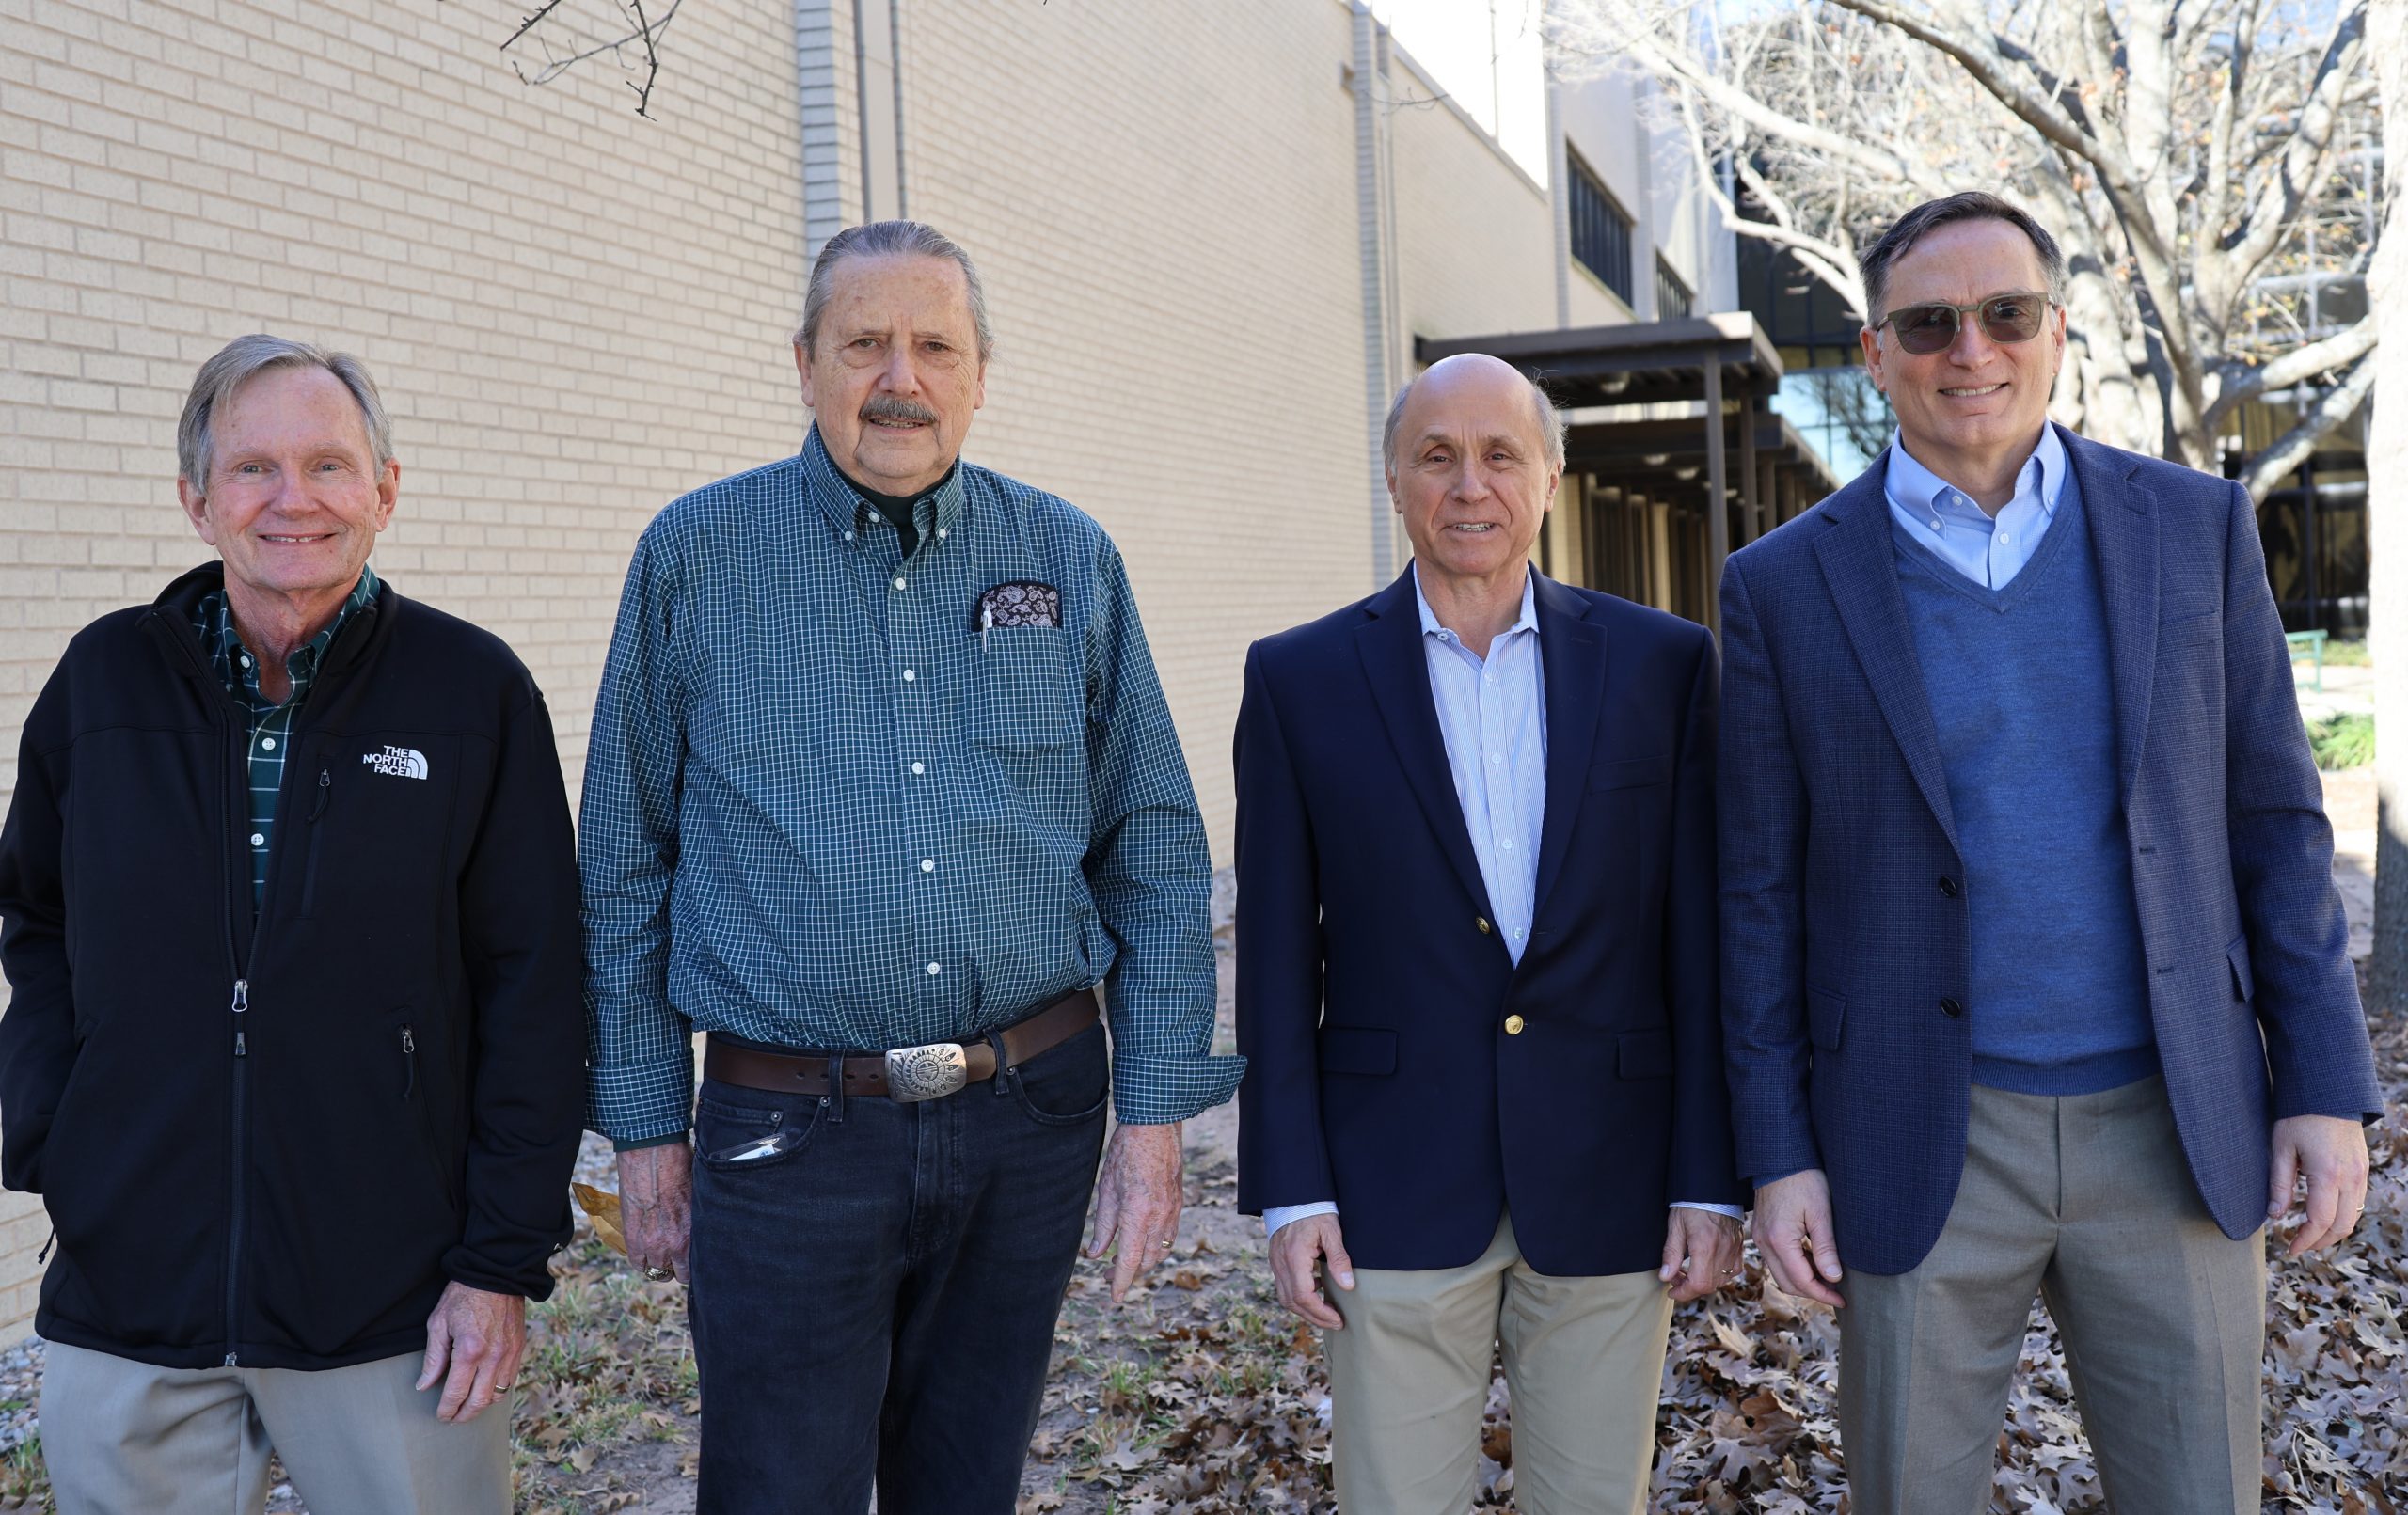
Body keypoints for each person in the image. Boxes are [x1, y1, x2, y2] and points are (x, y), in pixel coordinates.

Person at [1719, 192, 2384, 1514]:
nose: (1970, 349)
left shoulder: (2191, 528)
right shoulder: (1782, 585)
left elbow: (2276, 819)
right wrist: (1779, 1151)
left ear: (2059, 331)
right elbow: (1757, 891)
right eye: (1929, 323)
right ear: (1874, 352)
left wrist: (2322, 1080)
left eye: (2006, 313)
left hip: (2172, 1118)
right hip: (1915, 1125)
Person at [580, 218, 1242, 1514]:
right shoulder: (694, 557)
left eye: (935, 346)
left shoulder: (1066, 557)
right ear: (804, 364)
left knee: (967, 1485)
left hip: (1030, 1119)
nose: (902, 378)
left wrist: (1154, 1115)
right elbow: (622, 862)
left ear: (980, 373)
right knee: (777, 1493)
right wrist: (648, 1127)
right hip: (789, 1135)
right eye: (864, 344)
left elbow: (1154, 847)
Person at [0, 335, 585, 1515]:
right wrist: (63, 1138)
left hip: (391, 1297)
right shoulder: (102, 682)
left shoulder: (472, 691)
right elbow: (38, 924)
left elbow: (536, 984)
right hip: (132, 1285)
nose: (293, 499)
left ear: (385, 489)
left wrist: (497, 1261)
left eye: (327, 464)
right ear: (196, 499)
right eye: (253, 468)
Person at [1233, 353, 1745, 1515]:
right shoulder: (1299, 679)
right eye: (1437, 456)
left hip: (1612, 1170)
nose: (1470, 485)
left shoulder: (1663, 666)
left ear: (1550, 478)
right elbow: (1274, 957)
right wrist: (1292, 1187)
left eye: (1501, 455)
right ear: (1393, 480)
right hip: (1391, 1180)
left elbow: (1699, 942)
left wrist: (1709, 1177)